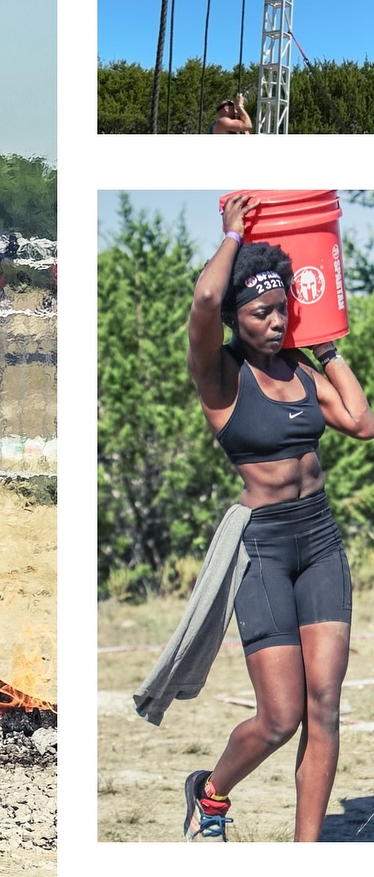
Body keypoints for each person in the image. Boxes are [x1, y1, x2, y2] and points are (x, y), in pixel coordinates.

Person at [173, 194, 374, 841]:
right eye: (261, 312)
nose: (275, 320)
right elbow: (204, 302)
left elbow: (362, 423)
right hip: (260, 548)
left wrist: (326, 346)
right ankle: (210, 793)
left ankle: (306, 852)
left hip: (319, 543)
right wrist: (231, 236)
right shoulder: (220, 376)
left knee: (323, 711)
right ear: (236, 317)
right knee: (281, 715)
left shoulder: (299, 367)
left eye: (283, 308)